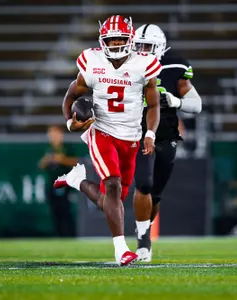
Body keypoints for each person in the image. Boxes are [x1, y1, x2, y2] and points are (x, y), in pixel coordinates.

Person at [54, 15, 161, 266]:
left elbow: (154, 104)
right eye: (110, 40)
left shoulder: (144, 64)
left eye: (119, 40)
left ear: (130, 40)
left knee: (111, 202)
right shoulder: (92, 61)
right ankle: (121, 249)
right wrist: (70, 122)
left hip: (131, 137)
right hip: (102, 132)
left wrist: (150, 133)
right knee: (112, 185)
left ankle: (76, 180)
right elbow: (70, 97)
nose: (114, 44)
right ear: (102, 41)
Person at [131, 24, 202, 262]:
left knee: (156, 194)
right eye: (138, 46)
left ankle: (144, 229)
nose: (142, 52)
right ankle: (143, 241)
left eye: (147, 47)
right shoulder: (125, 66)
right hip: (136, 134)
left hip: (166, 135)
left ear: (160, 48)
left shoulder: (174, 67)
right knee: (144, 184)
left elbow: (197, 105)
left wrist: (176, 101)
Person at [39, 125, 78, 238]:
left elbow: (76, 161)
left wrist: (62, 160)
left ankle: (70, 234)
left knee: (66, 210)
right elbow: (41, 165)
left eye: (55, 134)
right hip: (52, 184)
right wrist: (47, 160)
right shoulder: (48, 148)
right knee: (55, 211)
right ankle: (58, 235)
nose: (53, 137)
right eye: (51, 134)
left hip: (65, 183)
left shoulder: (67, 147)